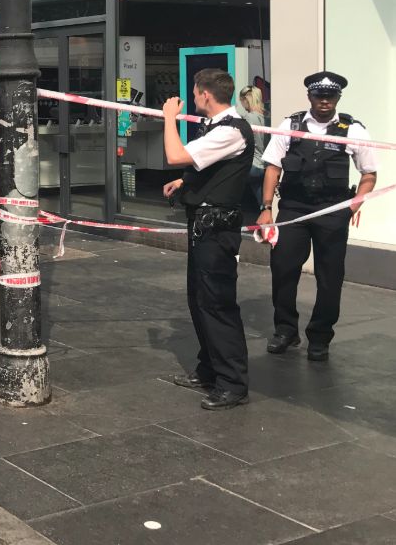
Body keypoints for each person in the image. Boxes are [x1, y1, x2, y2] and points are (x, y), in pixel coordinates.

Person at [257, 71, 378, 361]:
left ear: (338, 98)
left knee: (329, 276)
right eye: (319, 95)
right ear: (310, 96)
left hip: (332, 211)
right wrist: (265, 209)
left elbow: (369, 175)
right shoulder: (291, 124)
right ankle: (286, 330)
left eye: (331, 96)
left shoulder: (354, 130)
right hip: (294, 210)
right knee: (283, 269)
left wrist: (350, 209)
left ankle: (320, 336)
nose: (324, 101)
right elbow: (273, 168)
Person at [161, 68, 254, 411]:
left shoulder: (231, 130)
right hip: (204, 224)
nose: (193, 97)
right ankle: (210, 369)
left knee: (217, 303)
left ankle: (233, 383)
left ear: (204, 94)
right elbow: (212, 167)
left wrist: (169, 118)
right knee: (199, 298)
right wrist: (185, 183)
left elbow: (175, 154)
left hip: (217, 229)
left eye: (195, 92)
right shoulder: (217, 128)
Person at [239, 86, 269, 210]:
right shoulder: (267, 117)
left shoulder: (248, 118)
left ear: (246, 100)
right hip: (266, 165)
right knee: (266, 201)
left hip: (253, 164)